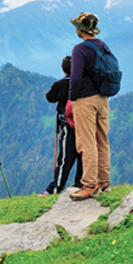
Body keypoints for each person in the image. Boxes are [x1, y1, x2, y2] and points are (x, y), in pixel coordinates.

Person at [68, 12, 111, 201]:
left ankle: (89, 184)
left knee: (87, 142)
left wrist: (73, 98)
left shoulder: (80, 49)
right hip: (103, 99)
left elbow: (75, 77)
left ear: (80, 29)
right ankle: (103, 181)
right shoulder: (103, 46)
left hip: (86, 100)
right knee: (102, 140)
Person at [37, 56, 82, 196]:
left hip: (67, 124)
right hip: (83, 123)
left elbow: (50, 98)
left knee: (65, 159)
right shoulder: (82, 83)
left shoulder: (59, 84)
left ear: (64, 69)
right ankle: (81, 183)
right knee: (83, 156)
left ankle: (55, 188)